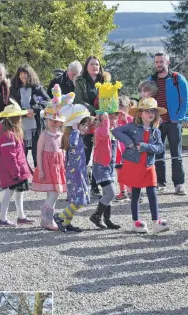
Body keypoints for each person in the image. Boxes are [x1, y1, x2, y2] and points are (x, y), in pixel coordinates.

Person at [112, 98, 168, 234]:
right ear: (140, 113)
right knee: (135, 194)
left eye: (153, 111)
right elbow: (116, 131)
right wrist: (129, 142)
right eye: (147, 111)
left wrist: (144, 146)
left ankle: (156, 222)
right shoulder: (131, 126)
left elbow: (160, 148)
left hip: (149, 166)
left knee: (152, 194)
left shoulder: (157, 131)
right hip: (134, 165)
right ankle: (136, 222)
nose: (151, 114)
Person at [149, 52, 188, 195]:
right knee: (158, 153)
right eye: (157, 62)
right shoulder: (151, 80)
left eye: (161, 61)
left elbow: (185, 101)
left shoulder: (178, 79)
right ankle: (160, 183)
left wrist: (178, 118)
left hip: (174, 122)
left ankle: (179, 184)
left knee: (176, 154)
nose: (159, 64)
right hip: (157, 123)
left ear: (167, 62)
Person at [31, 85, 68, 231]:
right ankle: (47, 218)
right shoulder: (44, 135)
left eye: (56, 120)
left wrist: (63, 166)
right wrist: (40, 168)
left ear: (60, 122)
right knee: (52, 193)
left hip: (58, 168)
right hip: (47, 167)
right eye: (50, 119)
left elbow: (63, 152)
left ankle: (47, 216)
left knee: (56, 192)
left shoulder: (61, 135)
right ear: (46, 120)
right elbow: (39, 152)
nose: (53, 122)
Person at [54, 104, 95, 232]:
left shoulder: (76, 135)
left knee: (74, 199)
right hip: (75, 173)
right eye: (83, 124)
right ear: (76, 124)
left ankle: (67, 223)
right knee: (79, 200)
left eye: (87, 125)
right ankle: (60, 217)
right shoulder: (73, 134)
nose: (86, 128)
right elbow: (73, 143)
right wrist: (76, 129)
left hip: (78, 172)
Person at [0, 99, 35, 227]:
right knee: (9, 193)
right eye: (18, 117)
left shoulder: (12, 133)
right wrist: (16, 172)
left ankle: (21, 216)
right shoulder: (7, 135)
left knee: (19, 193)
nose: (21, 119)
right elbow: (10, 157)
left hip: (17, 170)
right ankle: (2, 218)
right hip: (13, 171)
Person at [88, 81, 123, 230]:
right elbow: (103, 136)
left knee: (107, 193)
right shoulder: (100, 130)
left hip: (108, 166)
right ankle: (96, 216)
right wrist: (105, 120)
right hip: (101, 166)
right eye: (110, 117)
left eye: (114, 116)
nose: (113, 119)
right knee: (111, 193)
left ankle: (107, 219)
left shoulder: (111, 130)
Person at [74, 56, 105, 198]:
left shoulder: (105, 80)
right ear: (86, 67)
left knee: (99, 156)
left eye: (97, 64)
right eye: (92, 64)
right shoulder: (80, 81)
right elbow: (79, 100)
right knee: (85, 156)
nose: (95, 67)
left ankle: (95, 186)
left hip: (101, 122)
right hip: (87, 121)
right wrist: (94, 111)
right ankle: (80, 186)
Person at [10, 64, 50, 167]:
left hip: (35, 125)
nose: (23, 76)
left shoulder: (37, 87)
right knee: (22, 151)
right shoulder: (13, 89)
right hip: (20, 124)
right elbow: (11, 104)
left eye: (25, 74)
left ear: (30, 75)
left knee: (37, 152)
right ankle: (22, 177)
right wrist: (24, 112)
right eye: (21, 74)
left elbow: (47, 101)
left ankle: (38, 176)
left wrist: (34, 109)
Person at [114, 95, 134, 201]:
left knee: (130, 172)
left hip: (128, 151)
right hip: (117, 151)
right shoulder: (115, 119)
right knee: (119, 171)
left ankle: (132, 191)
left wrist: (126, 119)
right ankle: (123, 191)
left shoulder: (131, 119)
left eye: (122, 108)